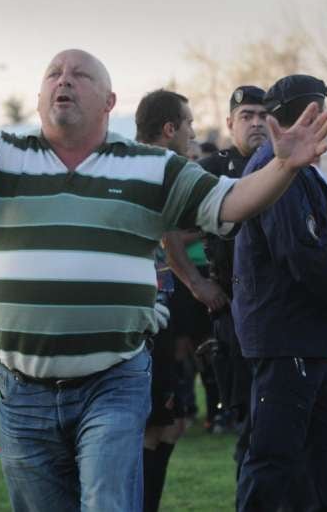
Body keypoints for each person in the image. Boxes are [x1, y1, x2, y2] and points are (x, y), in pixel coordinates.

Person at [0, 34, 327, 511]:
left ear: (110, 102)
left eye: (80, 74)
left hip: (113, 379)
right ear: (41, 95)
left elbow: (231, 201)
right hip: (22, 387)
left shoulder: (153, 168)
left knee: (107, 503)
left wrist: (283, 166)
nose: (63, 80)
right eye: (54, 73)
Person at [232, 75, 327, 512]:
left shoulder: (297, 172)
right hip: (286, 336)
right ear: (305, 111)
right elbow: (301, 253)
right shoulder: (276, 172)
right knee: (275, 456)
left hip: (307, 337)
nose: (326, 118)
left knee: (319, 449)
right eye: (319, 108)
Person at [133, 88, 196, 512]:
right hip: (145, 317)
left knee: (168, 424)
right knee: (154, 427)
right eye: (188, 124)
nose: (193, 132)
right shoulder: (157, 170)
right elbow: (169, 239)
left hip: (161, 311)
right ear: (170, 129)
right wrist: (197, 282)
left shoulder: (142, 166)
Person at [198, 86, 268, 460]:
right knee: (248, 425)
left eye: (262, 115)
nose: (256, 123)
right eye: (247, 116)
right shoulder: (210, 170)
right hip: (234, 308)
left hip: (280, 309)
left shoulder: (285, 165)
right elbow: (172, 232)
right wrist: (198, 284)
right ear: (230, 123)